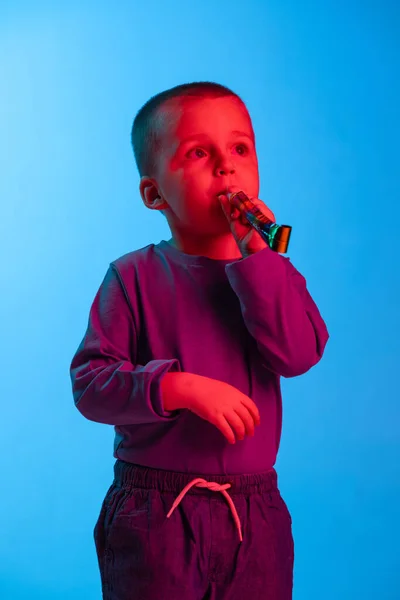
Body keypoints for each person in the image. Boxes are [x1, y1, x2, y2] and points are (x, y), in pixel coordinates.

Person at [70, 81, 329, 600]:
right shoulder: (132, 276)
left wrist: (262, 261)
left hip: (253, 514)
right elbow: (90, 385)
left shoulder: (274, 274)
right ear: (154, 193)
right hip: (155, 510)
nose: (226, 166)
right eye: (198, 153)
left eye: (239, 148)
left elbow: (298, 354)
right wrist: (180, 388)